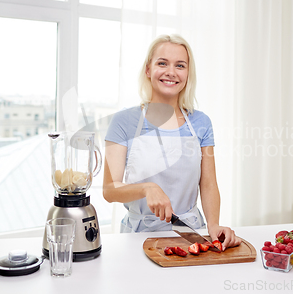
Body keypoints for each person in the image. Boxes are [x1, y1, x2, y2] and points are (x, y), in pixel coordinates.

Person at [103, 34, 241, 250]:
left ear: (187, 74)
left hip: (189, 235)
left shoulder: (201, 122)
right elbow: (110, 190)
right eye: (162, 63)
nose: (171, 72)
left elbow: (208, 183)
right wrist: (147, 188)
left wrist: (213, 224)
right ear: (148, 70)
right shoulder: (124, 121)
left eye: (180, 65)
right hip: (137, 240)